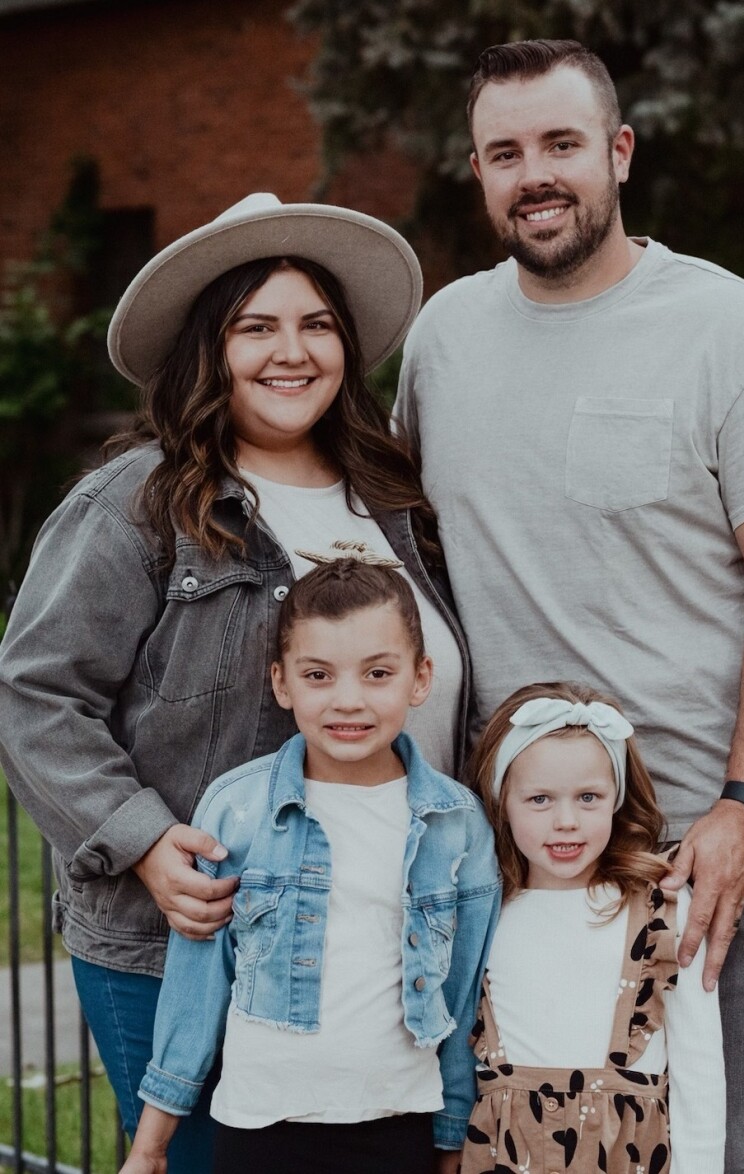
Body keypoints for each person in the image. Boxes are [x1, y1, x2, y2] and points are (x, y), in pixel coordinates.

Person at [395, 38, 744, 1172]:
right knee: (513, 1138)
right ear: (479, 172)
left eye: (561, 143)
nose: (535, 175)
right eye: (506, 152)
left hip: (699, 832)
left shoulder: (737, 333)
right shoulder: (443, 337)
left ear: (619, 152)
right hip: (510, 836)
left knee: (700, 1144)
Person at [0, 194, 471, 1172]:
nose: (290, 351)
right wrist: (140, 840)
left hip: (385, 951)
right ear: (207, 352)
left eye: (316, 325)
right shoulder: (139, 504)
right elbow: (35, 694)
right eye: (255, 327)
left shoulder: (392, 498)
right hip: (186, 943)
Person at [118, 556, 499, 1174]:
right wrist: (151, 1144)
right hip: (261, 1125)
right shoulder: (239, 808)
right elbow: (196, 985)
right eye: (318, 675)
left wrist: (453, 1131)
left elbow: (463, 992)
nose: (348, 700)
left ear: (420, 678)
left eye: (378, 673)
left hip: (398, 1121)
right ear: (282, 683)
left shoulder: (456, 823)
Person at [460, 681, 724, 1173]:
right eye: (539, 799)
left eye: (588, 797)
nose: (566, 821)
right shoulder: (485, 908)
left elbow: (700, 1065)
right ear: (501, 802)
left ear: (616, 799)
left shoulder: (658, 907)